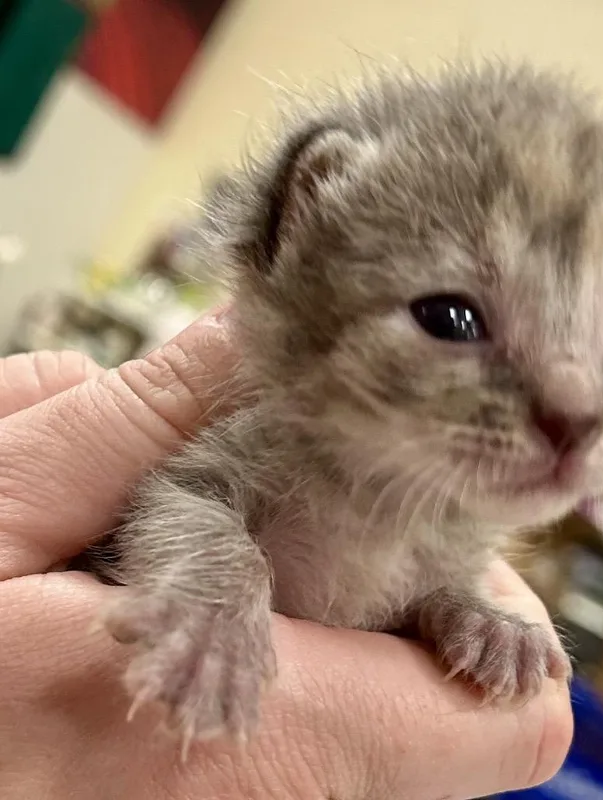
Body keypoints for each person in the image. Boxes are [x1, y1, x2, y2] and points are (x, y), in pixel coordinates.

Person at [0, 309, 572, 800]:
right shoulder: (273, 415)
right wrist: (218, 586)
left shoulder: (460, 502)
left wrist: (468, 615)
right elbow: (188, 494)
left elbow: (433, 594)